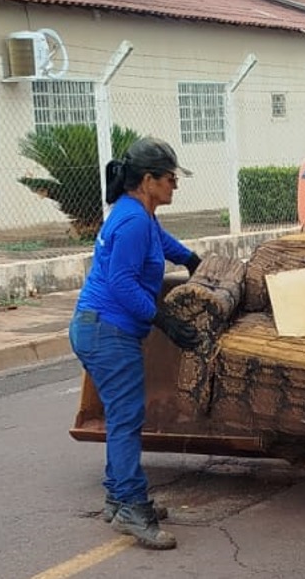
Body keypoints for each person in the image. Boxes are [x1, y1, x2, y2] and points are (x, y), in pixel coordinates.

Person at [68, 137, 202, 550]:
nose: (174, 186)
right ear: (148, 181)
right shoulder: (132, 222)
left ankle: (117, 495)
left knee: (123, 417)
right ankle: (130, 507)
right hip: (107, 331)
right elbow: (121, 284)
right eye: (169, 179)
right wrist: (165, 321)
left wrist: (196, 263)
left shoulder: (137, 215)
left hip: (101, 328)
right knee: (126, 419)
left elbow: (163, 245)